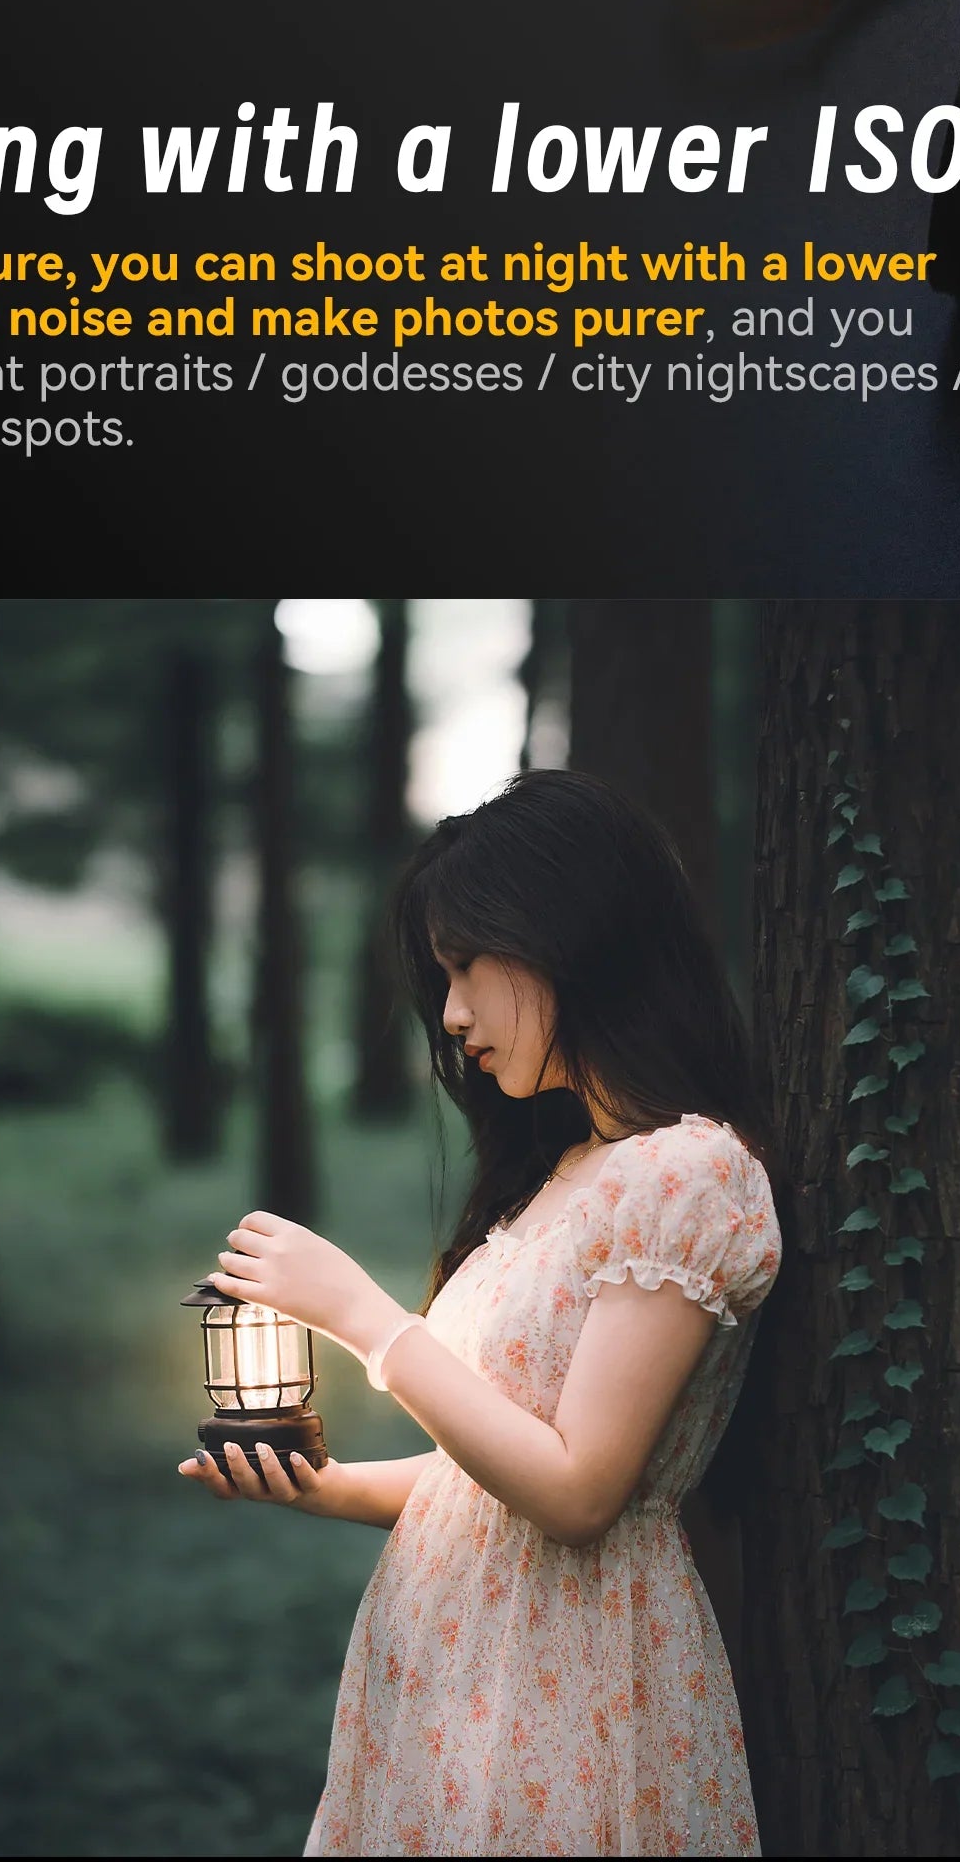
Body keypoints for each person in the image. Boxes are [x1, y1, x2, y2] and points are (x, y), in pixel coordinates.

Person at [178, 767, 782, 1856]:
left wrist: (364, 1319)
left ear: (566, 937)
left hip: (571, 1684)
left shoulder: (688, 1171)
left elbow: (580, 1487)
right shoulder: (562, 1172)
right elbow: (493, 1476)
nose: (451, 1015)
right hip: (445, 1672)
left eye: (465, 966)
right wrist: (323, 1485)